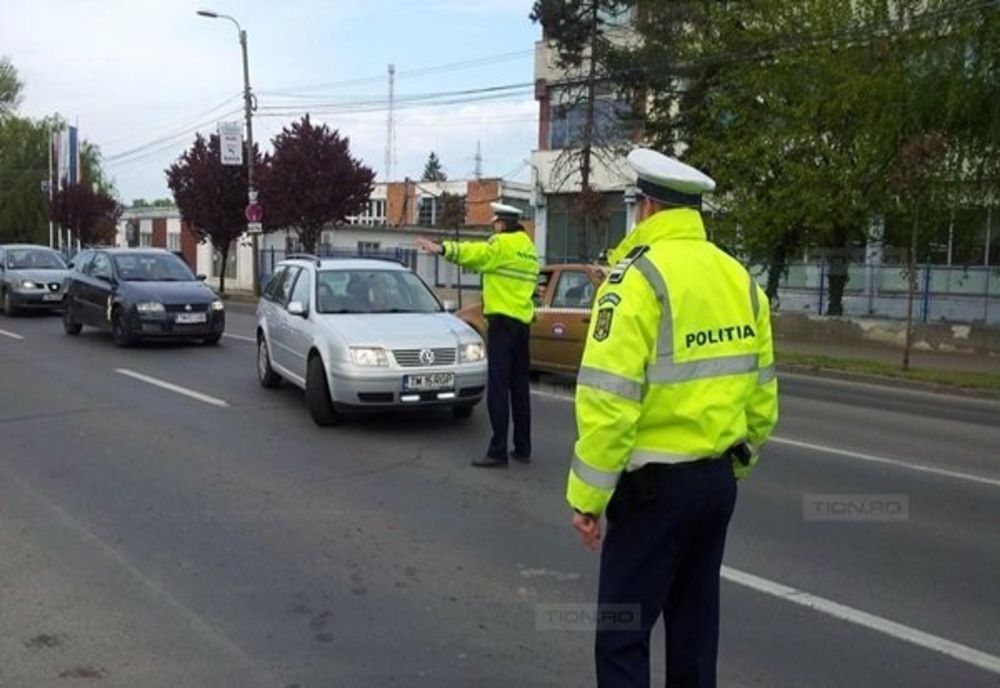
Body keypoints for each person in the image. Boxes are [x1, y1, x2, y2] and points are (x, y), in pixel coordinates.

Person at [567, 149, 779, 687]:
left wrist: (587, 498)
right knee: (693, 634)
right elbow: (763, 397)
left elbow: (608, 401)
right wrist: (736, 465)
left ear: (647, 209)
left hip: (653, 494)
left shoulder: (635, 280)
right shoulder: (740, 279)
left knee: (622, 638)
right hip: (715, 485)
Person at [416, 202, 540, 468]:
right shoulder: (529, 249)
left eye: (495, 222)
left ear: (503, 224)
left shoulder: (501, 244)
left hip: (502, 325)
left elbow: (475, 253)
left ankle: (497, 451)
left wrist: (440, 248)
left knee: (498, 388)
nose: (492, 226)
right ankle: (523, 447)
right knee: (520, 390)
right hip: (522, 325)